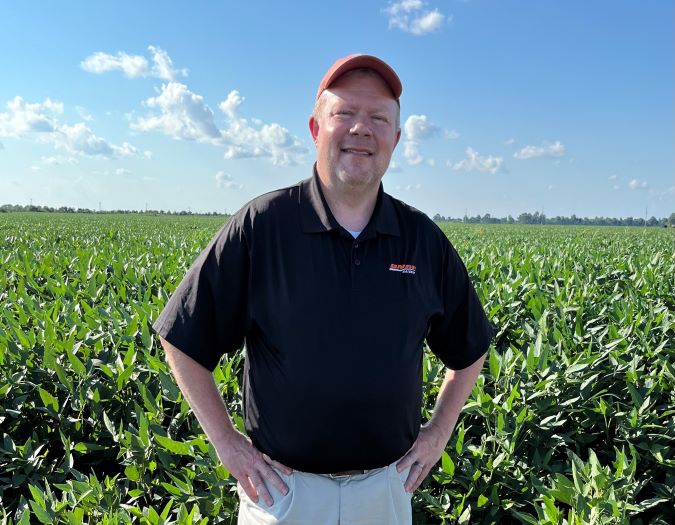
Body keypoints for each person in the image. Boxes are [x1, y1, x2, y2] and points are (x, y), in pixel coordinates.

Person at [153, 54, 493, 525]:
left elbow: (469, 347)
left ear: (396, 138)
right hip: (284, 495)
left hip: (384, 494)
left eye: (378, 118)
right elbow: (182, 336)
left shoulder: (423, 239)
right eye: (344, 114)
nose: (361, 129)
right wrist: (228, 444)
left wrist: (438, 432)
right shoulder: (262, 226)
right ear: (316, 129)